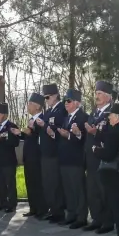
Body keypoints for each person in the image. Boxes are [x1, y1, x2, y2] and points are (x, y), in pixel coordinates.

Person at [93, 103, 119, 236]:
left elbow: (109, 154)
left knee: (117, 205)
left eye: (110, 115)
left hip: (114, 174)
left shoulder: (114, 131)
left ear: (116, 117)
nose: (108, 117)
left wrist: (96, 150)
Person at [83, 81, 115, 233]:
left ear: (108, 97)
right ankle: (96, 218)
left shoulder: (112, 113)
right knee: (93, 190)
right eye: (96, 93)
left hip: (104, 158)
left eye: (100, 94)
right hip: (91, 158)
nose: (97, 96)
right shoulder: (93, 113)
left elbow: (112, 135)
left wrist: (96, 133)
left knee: (105, 191)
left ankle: (108, 221)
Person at [58, 89, 88, 227]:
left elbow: (83, 140)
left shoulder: (83, 117)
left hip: (76, 160)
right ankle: (71, 214)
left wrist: (70, 135)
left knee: (78, 189)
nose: (66, 103)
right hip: (65, 159)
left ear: (77, 103)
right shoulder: (66, 118)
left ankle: (81, 217)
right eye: (65, 101)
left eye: (68, 101)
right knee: (68, 188)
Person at [39, 84, 66, 222]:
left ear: (55, 95)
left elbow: (61, 127)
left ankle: (59, 211)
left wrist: (46, 127)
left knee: (55, 183)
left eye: (48, 97)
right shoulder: (48, 111)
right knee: (48, 183)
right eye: (45, 98)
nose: (46, 100)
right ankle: (53, 208)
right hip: (46, 153)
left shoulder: (62, 109)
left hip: (55, 152)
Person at [0, 103, 20, 213]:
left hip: (8, 160)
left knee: (10, 183)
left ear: (5, 115)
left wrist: (2, 139)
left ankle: (12, 204)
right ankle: (2, 202)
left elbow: (15, 143)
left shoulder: (12, 126)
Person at [21, 93, 47, 218]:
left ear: (38, 107)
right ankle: (33, 208)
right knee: (30, 182)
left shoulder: (42, 119)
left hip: (37, 157)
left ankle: (41, 209)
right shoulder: (31, 119)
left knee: (38, 183)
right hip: (28, 157)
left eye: (31, 104)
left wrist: (32, 131)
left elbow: (41, 136)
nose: (28, 106)